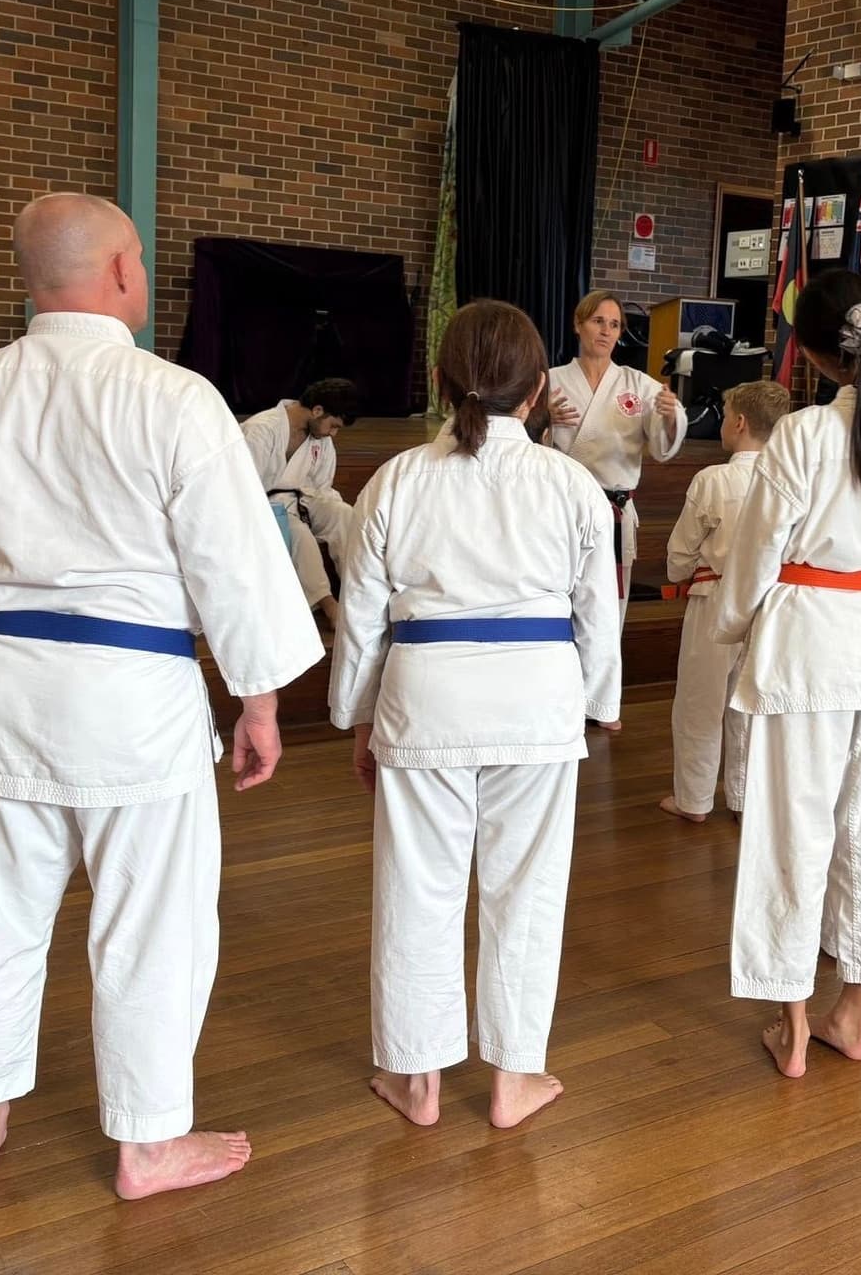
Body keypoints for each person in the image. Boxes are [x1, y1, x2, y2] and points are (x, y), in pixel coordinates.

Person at [0, 194, 322, 1199]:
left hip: (11, 687)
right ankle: (145, 1144)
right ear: (116, 273)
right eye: (138, 259)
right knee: (152, 921)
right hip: (134, 700)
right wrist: (259, 700)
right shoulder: (173, 398)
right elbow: (232, 563)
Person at [330, 299, 621, 1129]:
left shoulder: (399, 478)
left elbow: (361, 615)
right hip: (536, 697)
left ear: (439, 381)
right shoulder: (570, 484)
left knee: (417, 886)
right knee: (526, 890)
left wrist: (359, 717)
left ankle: (419, 1081)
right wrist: (597, 708)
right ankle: (511, 1078)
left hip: (427, 697)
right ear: (536, 390)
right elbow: (597, 612)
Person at [714, 270, 861, 1079]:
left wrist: (737, 624)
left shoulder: (803, 435)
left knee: (793, 826)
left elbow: (753, 559)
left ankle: (791, 1022)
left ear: (810, 351)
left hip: (805, 640)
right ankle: (853, 1014)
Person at [659, 379, 790, 824]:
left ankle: (694, 800)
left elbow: (679, 559)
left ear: (738, 422)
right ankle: (744, 798)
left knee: (701, 703)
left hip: (715, 599)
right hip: (771, 602)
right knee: (749, 703)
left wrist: (684, 571)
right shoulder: (790, 480)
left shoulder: (713, 479)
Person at [548, 290, 687, 635]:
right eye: (598, 321)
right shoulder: (551, 380)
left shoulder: (637, 384)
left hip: (614, 509)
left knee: (608, 604)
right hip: (564, 506)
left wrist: (670, 418)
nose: (606, 331)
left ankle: (603, 681)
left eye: (614, 325)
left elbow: (663, 442)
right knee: (560, 591)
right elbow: (525, 434)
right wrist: (543, 417)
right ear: (578, 325)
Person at [240, 379, 361, 626]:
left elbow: (322, 488)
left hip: (301, 498)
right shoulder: (261, 430)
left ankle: (359, 594)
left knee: (344, 514)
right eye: (333, 425)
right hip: (261, 505)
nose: (333, 434)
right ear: (317, 410)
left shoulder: (321, 439)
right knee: (298, 533)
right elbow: (243, 488)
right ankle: (329, 605)